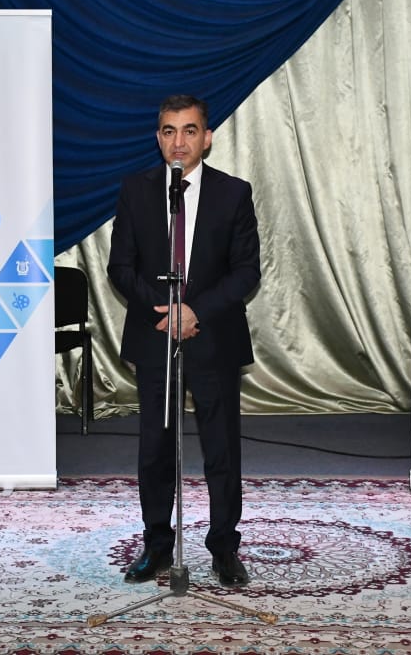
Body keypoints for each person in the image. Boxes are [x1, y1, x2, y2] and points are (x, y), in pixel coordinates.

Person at [107, 94, 261, 587]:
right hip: (155, 334)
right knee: (155, 448)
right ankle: (156, 544)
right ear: (158, 138)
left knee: (221, 449)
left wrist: (195, 311)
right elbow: (121, 267)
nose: (179, 141)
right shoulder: (136, 191)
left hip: (214, 336)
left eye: (190, 130)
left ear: (207, 138)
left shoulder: (233, 193)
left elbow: (246, 272)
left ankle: (224, 549)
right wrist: (168, 310)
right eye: (170, 131)